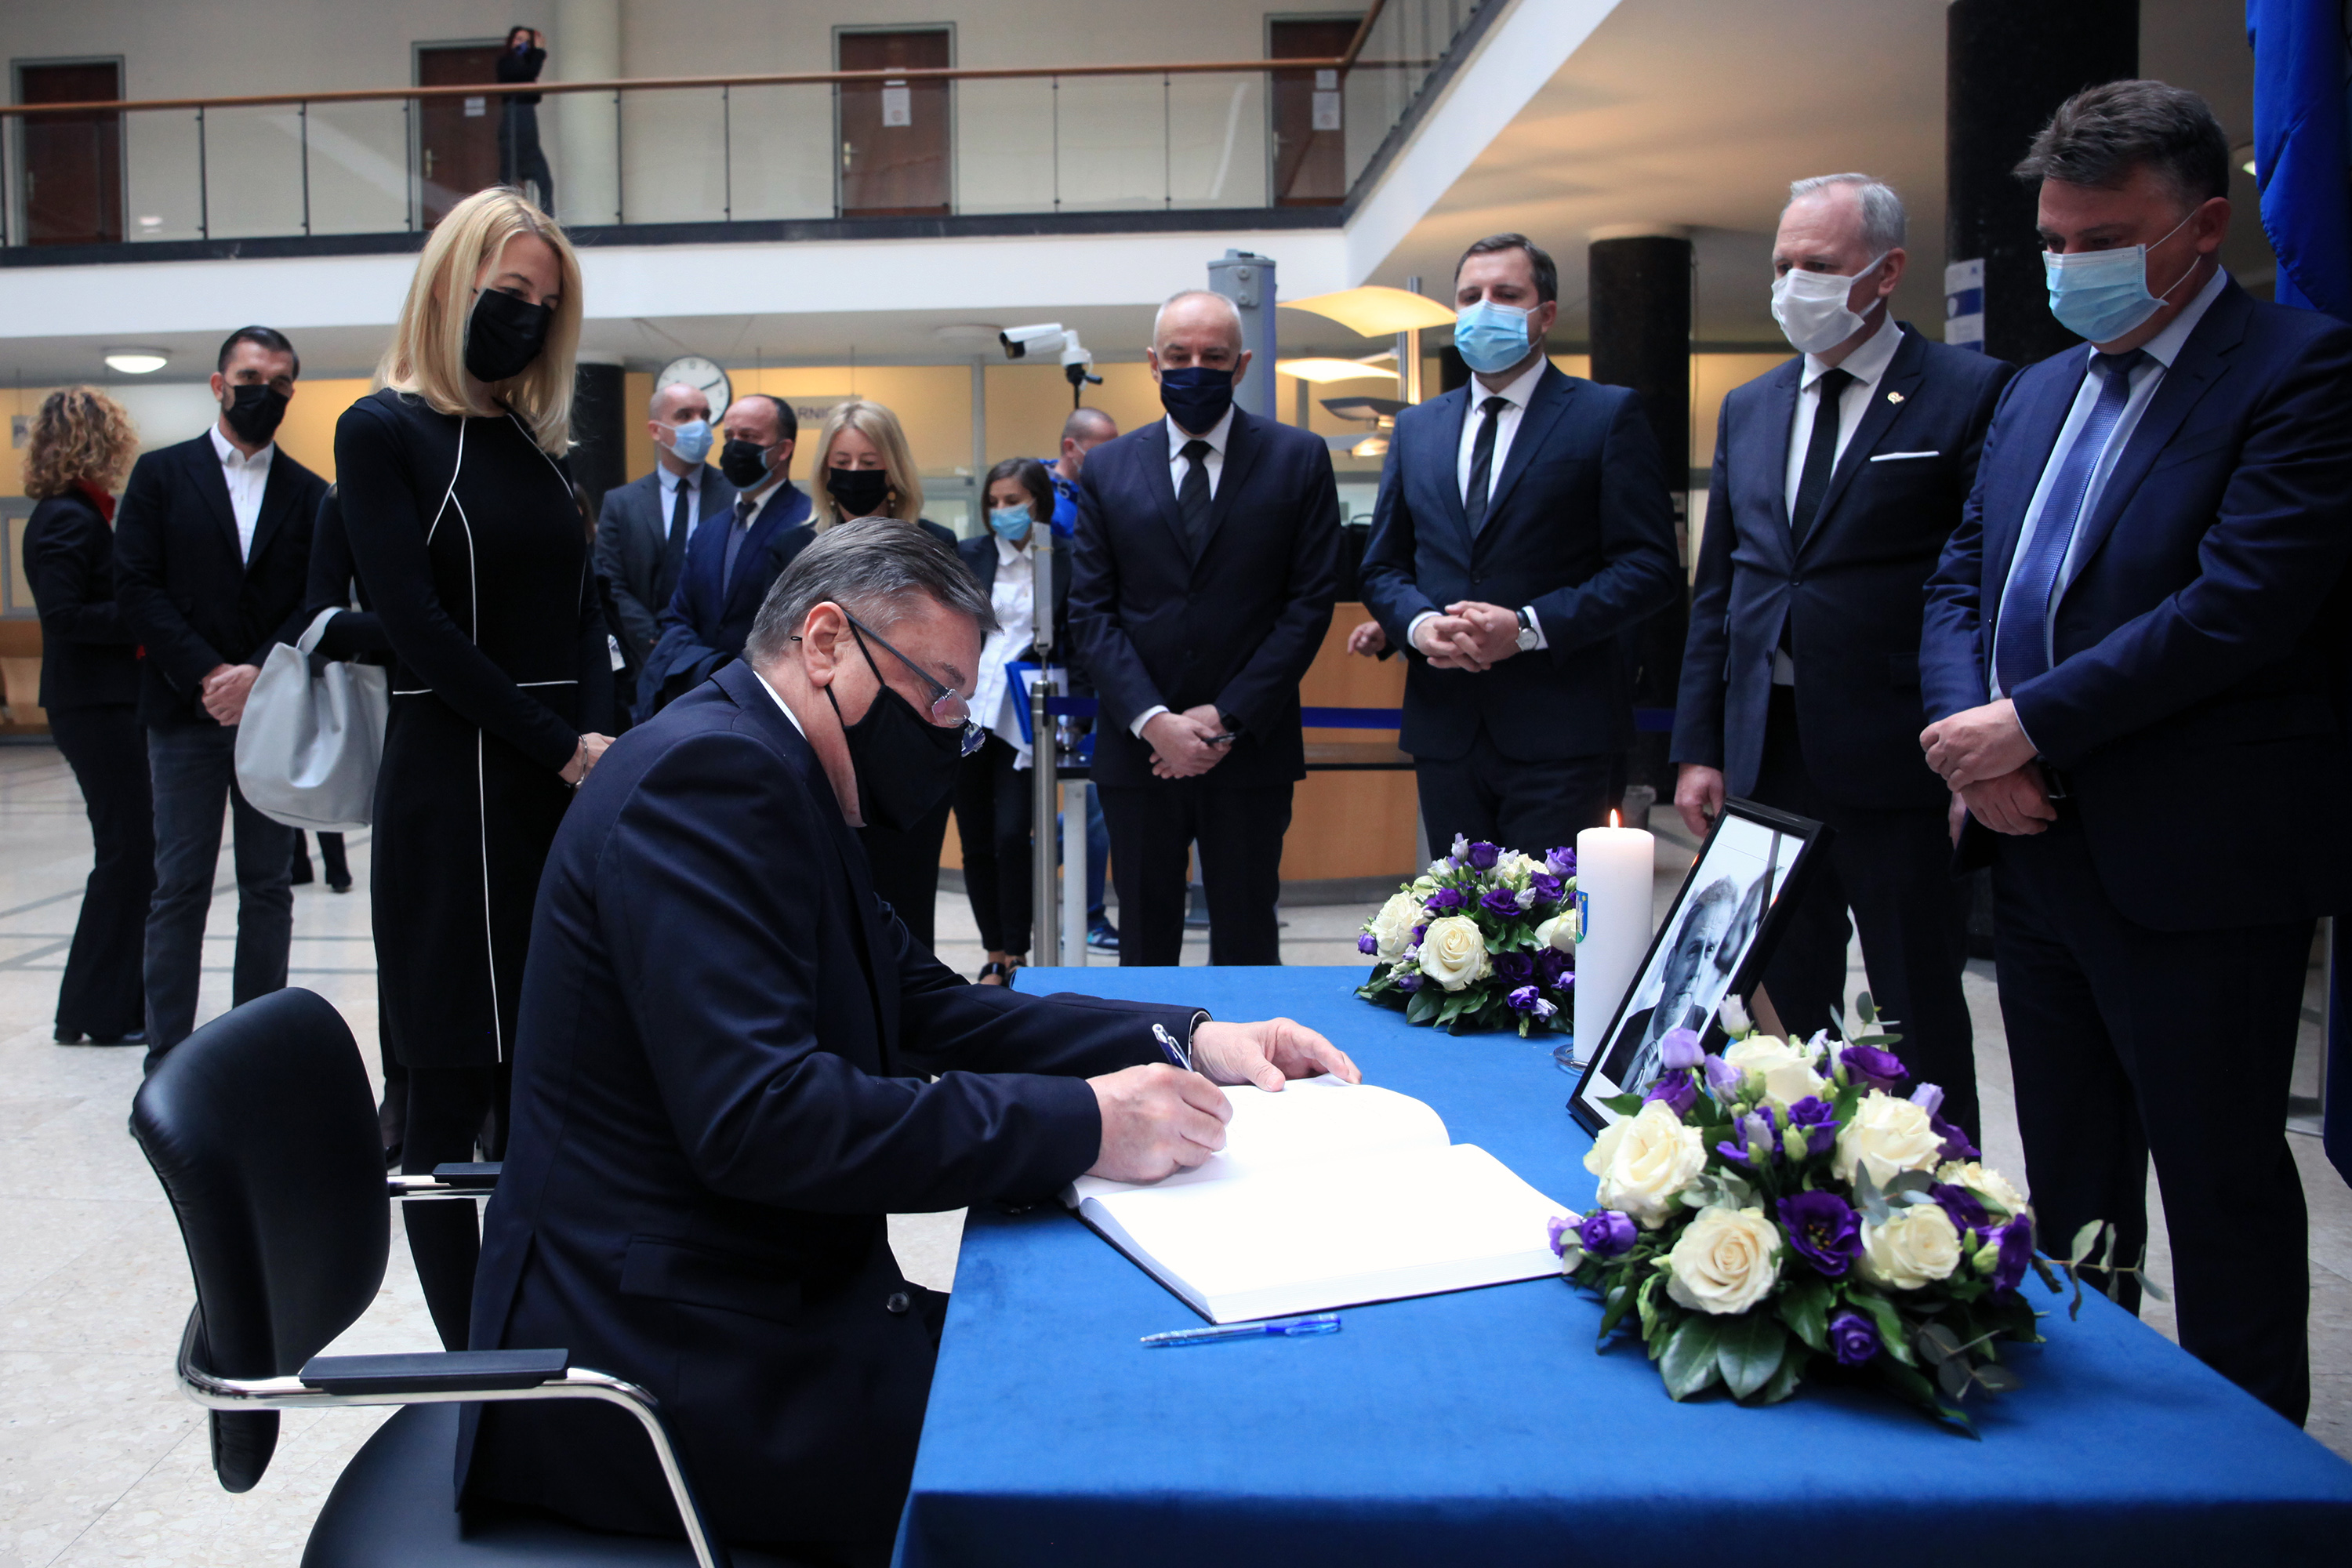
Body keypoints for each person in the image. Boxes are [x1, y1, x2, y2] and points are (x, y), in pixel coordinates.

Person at [461, 518, 1358, 1559]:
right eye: (936, 693)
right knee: (1108, 1456)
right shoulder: (707, 779)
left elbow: (931, 1007)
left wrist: (1186, 1039)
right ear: (826, 642)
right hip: (660, 1366)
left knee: (1098, 1366)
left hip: (751, 1298)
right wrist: (1083, 1122)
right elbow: (765, 1120)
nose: (944, 729)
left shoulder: (769, 764)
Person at [1918, 80, 2352, 1426]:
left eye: (2102, 240)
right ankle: (2095, 1445)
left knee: (2218, 1186)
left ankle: (2250, 1471)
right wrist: (1979, 748)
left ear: (2204, 224)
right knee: (2069, 1176)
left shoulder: (2301, 372)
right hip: (2030, 843)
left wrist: (2030, 723)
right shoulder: (2036, 389)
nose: (2069, 267)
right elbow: (1963, 576)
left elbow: (2241, 605)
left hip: (2195, 860)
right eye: (2054, 240)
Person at [1669, 175, 2015, 1145]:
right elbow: (1721, 589)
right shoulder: (1750, 405)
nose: (1792, 285)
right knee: (1782, 999)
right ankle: (1797, 1181)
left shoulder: (1969, 392)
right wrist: (1699, 746)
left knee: (1916, 999)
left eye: (1817, 265)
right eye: (1783, 264)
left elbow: (1981, 582)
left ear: (1886, 270)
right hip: (1766, 750)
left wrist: (1972, 748)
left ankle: (1940, 1189)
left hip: (1898, 754)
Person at [336, 186, 616, 1349]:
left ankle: (545, 1315)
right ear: (452, 284)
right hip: (456, 788)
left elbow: (587, 608)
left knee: (553, 1067)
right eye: (510, 292)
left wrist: (600, 740)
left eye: (545, 303)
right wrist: (563, 744)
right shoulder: (383, 430)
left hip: (558, 790)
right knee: (448, 1085)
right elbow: (416, 626)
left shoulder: (537, 448)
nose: (526, 316)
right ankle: (474, 1359)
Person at [1358, 234, 1681, 855]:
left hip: (1562, 729)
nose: (1485, 308)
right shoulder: (1418, 427)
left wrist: (1529, 627)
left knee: (1548, 912)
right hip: (1446, 725)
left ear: (1546, 313)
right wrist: (1419, 626)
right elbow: (1382, 567)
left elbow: (1649, 567)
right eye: (1470, 296)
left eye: (1506, 294)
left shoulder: (1606, 415)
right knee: (1455, 912)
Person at [1069, 289, 1341, 967]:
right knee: (1144, 939)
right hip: (1139, 751)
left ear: (1241, 364)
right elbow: (1091, 611)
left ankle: (1251, 1045)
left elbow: (1309, 604)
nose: (1196, 369)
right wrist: (1155, 720)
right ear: (1153, 364)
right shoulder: (1108, 467)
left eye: (1214, 357)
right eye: (1179, 355)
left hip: (1250, 749)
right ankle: (1152, 1043)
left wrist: (1227, 717)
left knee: (1248, 936)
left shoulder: (1299, 457)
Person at [113, 325, 328, 1069]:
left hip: (270, 717)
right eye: (249, 379)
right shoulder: (161, 475)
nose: (263, 393)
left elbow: (314, 601)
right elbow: (137, 587)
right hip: (184, 713)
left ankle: (252, 1057)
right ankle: (168, 1059)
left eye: (278, 382)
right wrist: (209, 675)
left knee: (268, 886)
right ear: (218, 385)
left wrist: (256, 676)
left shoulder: (310, 492)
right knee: (179, 887)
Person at [20, 387, 150, 1048]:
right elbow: (65, 615)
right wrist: (145, 612)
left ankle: (96, 1006)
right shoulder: (69, 519)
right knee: (129, 853)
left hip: (98, 701)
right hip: (96, 703)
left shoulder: (73, 513)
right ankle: (100, 1010)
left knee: (128, 852)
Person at [808, 398, 961, 952]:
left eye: (869, 462)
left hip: (907, 753)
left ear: (893, 469)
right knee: (826, 913)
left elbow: (947, 652)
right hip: (821, 753)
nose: (855, 474)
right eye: (842, 462)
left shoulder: (935, 545)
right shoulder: (795, 546)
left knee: (906, 914)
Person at [306, 485, 402, 1157]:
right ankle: (406, 1087)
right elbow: (322, 620)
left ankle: (497, 1092)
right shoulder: (351, 497)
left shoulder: (511, 471)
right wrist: (424, 630)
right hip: (403, 718)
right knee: (405, 922)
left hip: (508, 723)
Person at [954, 458, 1071, 984]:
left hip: (1028, 719)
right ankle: (994, 952)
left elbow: (1077, 640)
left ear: (1038, 502)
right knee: (976, 839)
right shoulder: (969, 556)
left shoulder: (1064, 558)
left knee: (1012, 835)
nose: (1002, 511)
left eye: (1013, 501)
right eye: (994, 502)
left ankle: (1019, 949)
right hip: (967, 714)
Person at [634, 392, 811, 721]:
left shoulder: (806, 525)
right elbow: (678, 619)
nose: (734, 447)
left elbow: (796, 632)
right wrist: (708, 670)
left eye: (749, 437)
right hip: (700, 703)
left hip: (771, 710)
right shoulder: (708, 532)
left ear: (783, 449)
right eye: (729, 436)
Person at [593, 380, 736, 717]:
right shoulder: (620, 503)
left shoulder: (736, 496)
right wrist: (656, 639)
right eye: (685, 416)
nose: (700, 425)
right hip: (644, 662)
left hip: (718, 662)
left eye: (705, 415)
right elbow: (611, 583)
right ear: (656, 430)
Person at [1040, 407, 1122, 953]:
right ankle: (1084, 914)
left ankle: (1079, 909)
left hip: (1094, 673)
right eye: (1102, 447)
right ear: (1072, 447)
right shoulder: (1048, 507)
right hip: (1058, 677)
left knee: (1088, 805)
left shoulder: (1098, 497)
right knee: (1084, 806)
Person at [495, 27, 553, 213]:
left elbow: (533, 92)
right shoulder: (505, 62)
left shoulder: (528, 63)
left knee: (545, 181)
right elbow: (524, 74)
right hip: (512, 127)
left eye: (527, 42)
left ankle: (548, 220)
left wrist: (535, 55)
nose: (522, 45)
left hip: (528, 129)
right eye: (519, 39)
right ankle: (504, 218)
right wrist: (539, 53)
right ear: (511, 41)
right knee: (507, 183)